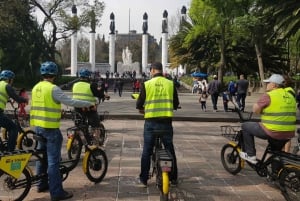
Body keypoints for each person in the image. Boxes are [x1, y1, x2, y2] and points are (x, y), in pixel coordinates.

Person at [30, 61, 93, 201]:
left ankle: (41, 184)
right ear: (55, 75)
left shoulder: (36, 87)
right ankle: (56, 192)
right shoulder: (53, 88)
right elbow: (71, 101)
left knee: (41, 157)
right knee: (53, 161)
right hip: (51, 129)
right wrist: (89, 103)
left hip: (38, 127)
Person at [136, 62, 180, 187]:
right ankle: (173, 177)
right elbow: (176, 103)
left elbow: (139, 104)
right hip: (166, 122)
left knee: (147, 151)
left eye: (150, 70)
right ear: (161, 70)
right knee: (169, 149)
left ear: (153, 70)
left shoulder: (147, 84)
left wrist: (141, 109)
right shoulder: (170, 84)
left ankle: (144, 179)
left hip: (151, 123)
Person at [239, 74, 296, 164]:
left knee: (245, 126)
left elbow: (256, 110)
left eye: (268, 83)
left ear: (274, 85)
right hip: (289, 133)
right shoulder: (291, 96)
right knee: (275, 153)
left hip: (272, 131)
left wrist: (257, 107)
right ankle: (274, 174)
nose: (266, 84)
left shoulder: (269, 95)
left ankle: (250, 155)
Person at [0, 70, 28, 151]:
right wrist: (24, 100)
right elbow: (16, 97)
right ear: (8, 79)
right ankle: (10, 150)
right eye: (12, 79)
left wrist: (8, 100)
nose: (12, 81)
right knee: (13, 128)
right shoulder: (7, 86)